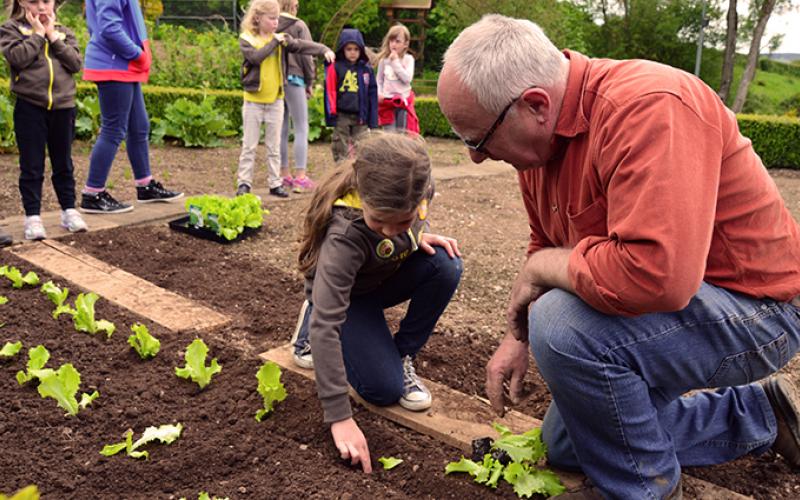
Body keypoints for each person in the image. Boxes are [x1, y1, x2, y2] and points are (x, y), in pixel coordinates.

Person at [437, 14, 800, 499]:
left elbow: (658, 277)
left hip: (760, 311)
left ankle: (640, 489)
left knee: (563, 326)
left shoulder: (650, 107)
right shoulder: (540, 148)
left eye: (477, 141)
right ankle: (758, 416)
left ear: (536, 105)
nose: (476, 158)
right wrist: (515, 336)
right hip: (679, 312)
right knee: (568, 445)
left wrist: (541, 271)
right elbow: (546, 240)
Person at [293, 133, 462, 472]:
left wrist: (415, 235)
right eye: (377, 221)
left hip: (377, 277)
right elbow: (330, 326)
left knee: (445, 264)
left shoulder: (417, 188)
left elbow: (401, 228)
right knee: (382, 389)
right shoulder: (344, 235)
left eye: (401, 221)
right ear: (364, 198)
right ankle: (312, 313)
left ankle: (400, 355)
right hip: (347, 298)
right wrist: (339, 416)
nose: (388, 232)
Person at [81, 0, 182, 214]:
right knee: (113, 130)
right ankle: (92, 194)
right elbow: (109, 28)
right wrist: (138, 54)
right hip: (115, 64)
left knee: (139, 126)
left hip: (123, 65)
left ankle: (145, 185)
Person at [1, 0, 87, 239]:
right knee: (32, 165)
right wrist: (38, 35)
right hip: (30, 108)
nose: (41, 7)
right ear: (21, 2)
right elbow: (17, 58)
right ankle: (32, 217)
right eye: (33, 2)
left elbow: (75, 63)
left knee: (64, 164)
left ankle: (69, 210)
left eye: (46, 1)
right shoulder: (11, 29)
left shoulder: (64, 32)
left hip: (64, 108)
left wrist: (52, 36)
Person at [236, 0, 334, 198]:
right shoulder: (247, 38)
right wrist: (275, 41)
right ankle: (244, 183)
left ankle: (275, 182)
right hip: (254, 101)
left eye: (277, 18)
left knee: (274, 145)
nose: (275, 22)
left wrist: (323, 49)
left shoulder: (281, 39)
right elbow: (256, 58)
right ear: (258, 18)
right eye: (272, 18)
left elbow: (300, 45)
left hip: (276, 100)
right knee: (250, 145)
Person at [277, 0, 316, 193]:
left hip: (278, 80)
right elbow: (307, 56)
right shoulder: (299, 25)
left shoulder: (273, 23)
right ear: (293, 6)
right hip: (296, 78)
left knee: (282, 128)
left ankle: (284, 173)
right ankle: (300, 176)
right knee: (301, 127)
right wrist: (310, 81)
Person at [324, 28, 378, 163]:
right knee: (340, 149)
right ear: (343, 49)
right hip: (342, 115)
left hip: (361, 117)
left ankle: (359, 176)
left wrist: (373, 120)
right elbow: (330, 90)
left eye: (356, 49)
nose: (353, 52)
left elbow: (372, 95)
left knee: (363, 149)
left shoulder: (366, 69)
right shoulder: (336, 67)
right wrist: (331, 115)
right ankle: (341, 176)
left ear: (361, 50)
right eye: (349, 49)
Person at [375, 24, 419, 134]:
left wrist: (395, 62)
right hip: (387, 102)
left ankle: (400, 152)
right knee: (389, 135)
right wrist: (379, 93)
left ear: (406, 44)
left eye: (398, 41)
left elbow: (407, 79)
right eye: (391, 41)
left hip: (402, 102)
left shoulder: (409, 59)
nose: (393, 44)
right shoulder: (383, 61)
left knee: (401, 134)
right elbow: (379, 80)